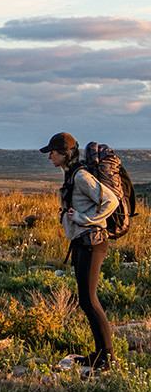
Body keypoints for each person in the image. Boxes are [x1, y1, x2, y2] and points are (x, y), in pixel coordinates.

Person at [40, 132, 118, 369]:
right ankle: (101, 355)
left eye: (53, 152)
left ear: (65, 154)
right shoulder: (71, 175)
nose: (50, 157)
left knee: (89, 300)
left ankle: (108, 358)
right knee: (86, 300)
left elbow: (111, 201)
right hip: (83, 242)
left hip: (93, 242)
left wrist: (84, 219)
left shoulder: (81, 176)